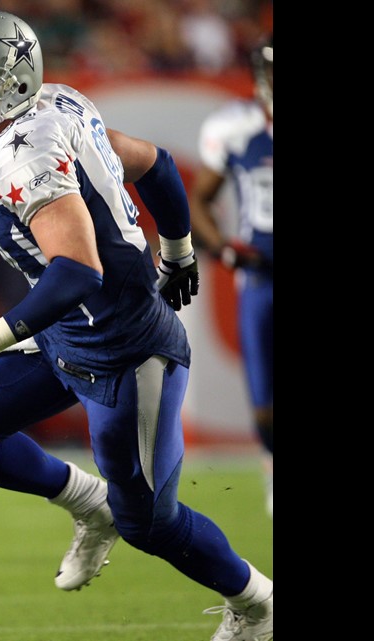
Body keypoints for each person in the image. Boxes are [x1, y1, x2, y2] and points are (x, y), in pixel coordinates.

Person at [0, 10, 272, 641]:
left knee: (150, 524)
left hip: (122, 352)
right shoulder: (59, 107)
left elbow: (78, 272)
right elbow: (158, 165)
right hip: (65, 334)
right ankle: (89, 505)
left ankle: (258, 604)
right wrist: (179, 250)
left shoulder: (13, 157)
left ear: (15, 80)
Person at [187, 34, 273, 519]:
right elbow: (201, 199)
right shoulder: (237, 128)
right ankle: (271, 459)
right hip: (262, 276)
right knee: (264, 408)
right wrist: (222, 247)